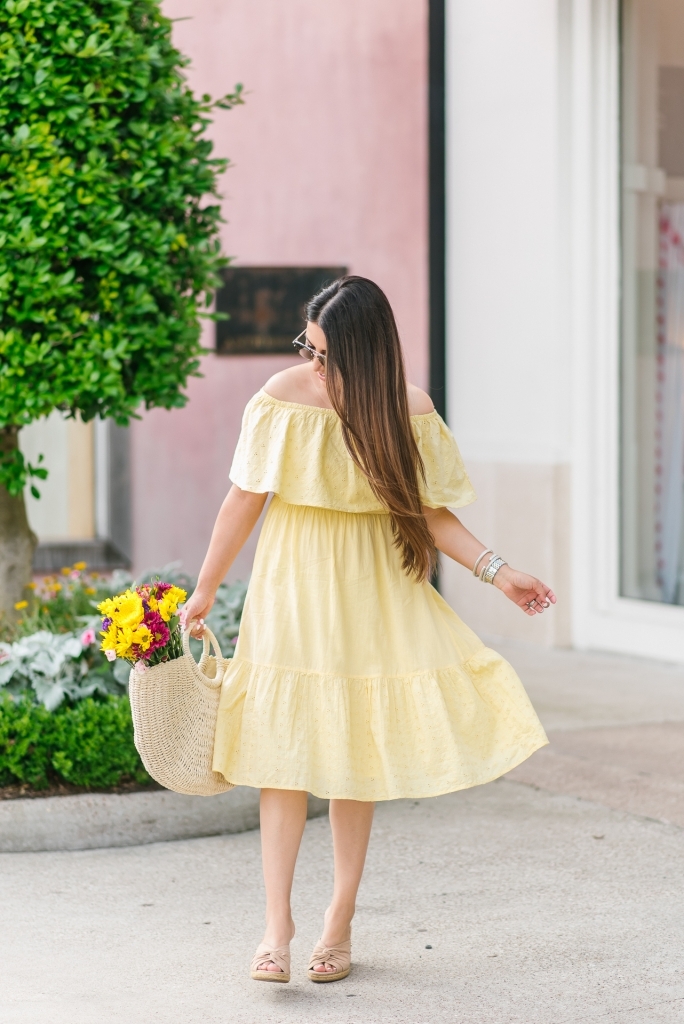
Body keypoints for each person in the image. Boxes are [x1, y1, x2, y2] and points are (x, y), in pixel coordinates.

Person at [181, 276, 554, 985]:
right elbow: (243, 499)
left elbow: (431, 513)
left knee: (358, 754)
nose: (313, 364)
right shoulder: (284, 397)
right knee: (278, 754)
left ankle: (339, 921)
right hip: (292, 590)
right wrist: (204, 589)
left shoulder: (408, 410)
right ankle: (276, 926)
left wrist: (500, 570)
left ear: (366, 351)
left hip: (373, 592)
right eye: (308, 347)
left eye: (326, 353)